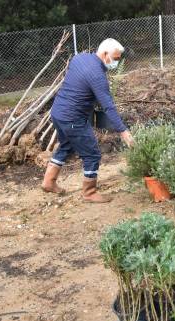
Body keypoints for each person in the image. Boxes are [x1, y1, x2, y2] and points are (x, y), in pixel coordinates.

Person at [41, 38, 134, 203]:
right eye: (116, 58)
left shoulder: (79, 58)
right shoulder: (97, 75)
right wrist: (123, 131)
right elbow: (108, 107)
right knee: (92, 154)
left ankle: (49, 182)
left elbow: (79, 84)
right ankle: (89, 192)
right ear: (105, 54)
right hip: (72, 118)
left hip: (57, 112)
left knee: (66, 146)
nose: (117, 63)